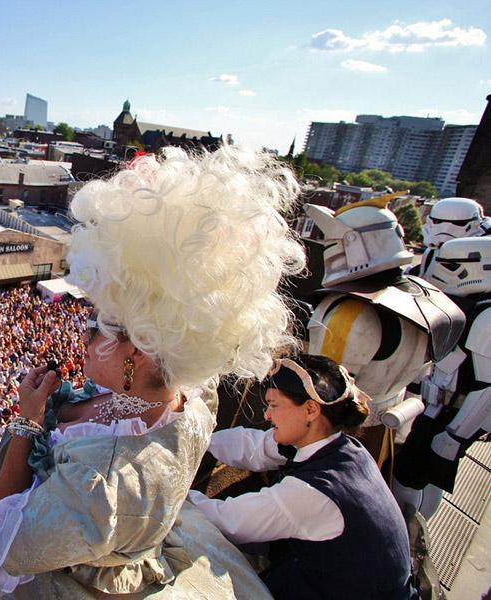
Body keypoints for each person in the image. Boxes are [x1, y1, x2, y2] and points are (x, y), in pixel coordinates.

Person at [0, 145, 307, 599]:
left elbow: (4, 542)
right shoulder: (197, 399)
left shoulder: (100, 489)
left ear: (140, 350)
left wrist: (27, 420)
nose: (84, 332)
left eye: (99, 322)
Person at [189, 354, 418, 599]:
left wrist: (172, 491)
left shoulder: (310, 493)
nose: (267, 415)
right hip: (332, 572)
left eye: (274, 405)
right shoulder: (341, 445)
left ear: (310, 410)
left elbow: (228, 521)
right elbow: (255, 447)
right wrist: (198, 438)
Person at [304, 199, 464, 461]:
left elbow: (324, 395)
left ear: (354, 243)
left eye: (332, 241)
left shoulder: (350, 313)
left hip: (334, 439)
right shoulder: (425, 297)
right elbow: (421, 375)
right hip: (384, 432)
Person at [393, 237, 491, 518]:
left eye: (450, 265)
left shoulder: (486, 317)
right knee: (413, 472)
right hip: (435, 408)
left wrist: (455, 436)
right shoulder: (472, 307)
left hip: (452, 417)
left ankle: (413, 534)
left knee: (419, 475)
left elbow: (487, 388)